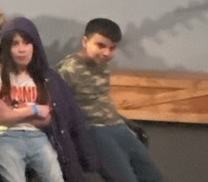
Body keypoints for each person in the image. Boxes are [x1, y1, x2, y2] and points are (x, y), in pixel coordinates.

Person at [0, 17, 99, 182]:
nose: (22, 49)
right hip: (5, 137)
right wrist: (33, 109)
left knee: (55, 177)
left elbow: (46, 118)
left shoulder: (44, 77)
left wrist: (12, 114)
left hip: (37, 136)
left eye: (26, 43)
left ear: (34, 46)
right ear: (7, 48)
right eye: (15, 44)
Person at [58, 18, 162, 182]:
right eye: (100, 45)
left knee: (152, 176)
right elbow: (58, 107)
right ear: (85, 41)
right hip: (93, 130)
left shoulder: (103, 66)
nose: (106, 53)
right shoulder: (69, 69)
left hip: (117, 125)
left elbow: (101, 100)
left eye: (112, 48)